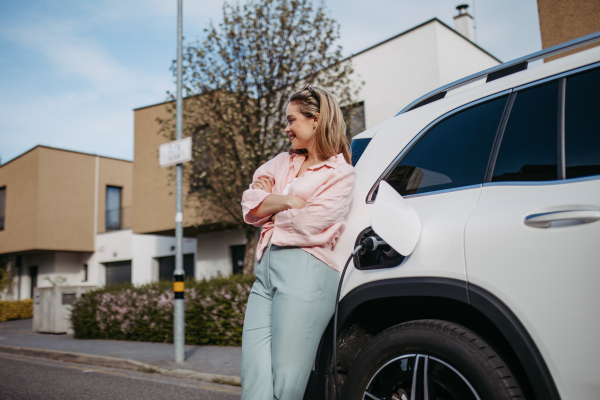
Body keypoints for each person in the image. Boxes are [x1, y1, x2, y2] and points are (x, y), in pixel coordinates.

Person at [240, 85, 356, 399]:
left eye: (292, 120)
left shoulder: (341, 173)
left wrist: (271, 203)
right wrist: (290, 200)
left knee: (285, 383)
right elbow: (250, 205)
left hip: (308, 271)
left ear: (316, 120)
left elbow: (310, 224)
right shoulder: (280, 162)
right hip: (265, 269)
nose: (286, 127)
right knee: (253, 378)